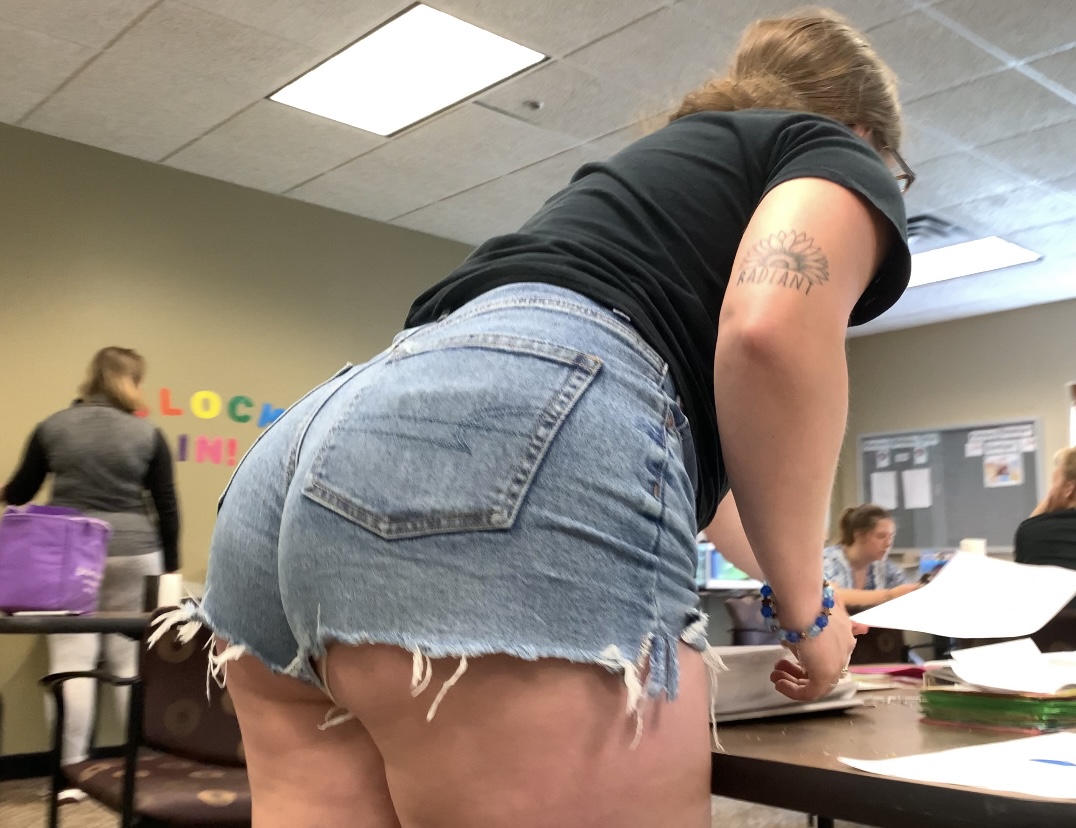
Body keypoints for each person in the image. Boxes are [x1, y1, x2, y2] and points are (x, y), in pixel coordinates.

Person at [174, 9, 913, 827]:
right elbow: (770, 332)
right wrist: (808, 613)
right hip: (516, 435)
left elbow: (720, 486)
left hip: (309, 450)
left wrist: (800, 584)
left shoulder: (654, 183)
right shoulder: (832, 147)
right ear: (864, 130)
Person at [1, 346, 179, 800]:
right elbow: (166, 506)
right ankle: (138, 767)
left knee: (71, 664)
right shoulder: (148, 434)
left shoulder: (53, 426)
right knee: (129, 664)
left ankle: (69, 777)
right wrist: (171, 568)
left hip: (69, 555)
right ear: (132, 382)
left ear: (91, 377)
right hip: (136, 554)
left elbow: (20, 491)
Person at [823, 504, 919, 609]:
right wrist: (889, 595)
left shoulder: (882, 566)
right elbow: (830, 595)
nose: (888, 543)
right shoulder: (829, 560)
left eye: (891, 536)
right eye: (881, 536)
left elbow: (904, 589)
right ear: (859, 536)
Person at [1014, 447, 1076, 607]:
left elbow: (1029, 526)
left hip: (1053, 623)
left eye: (1054, 484)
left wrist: (1052, 498)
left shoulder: (1032, 533)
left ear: (1069, 489)